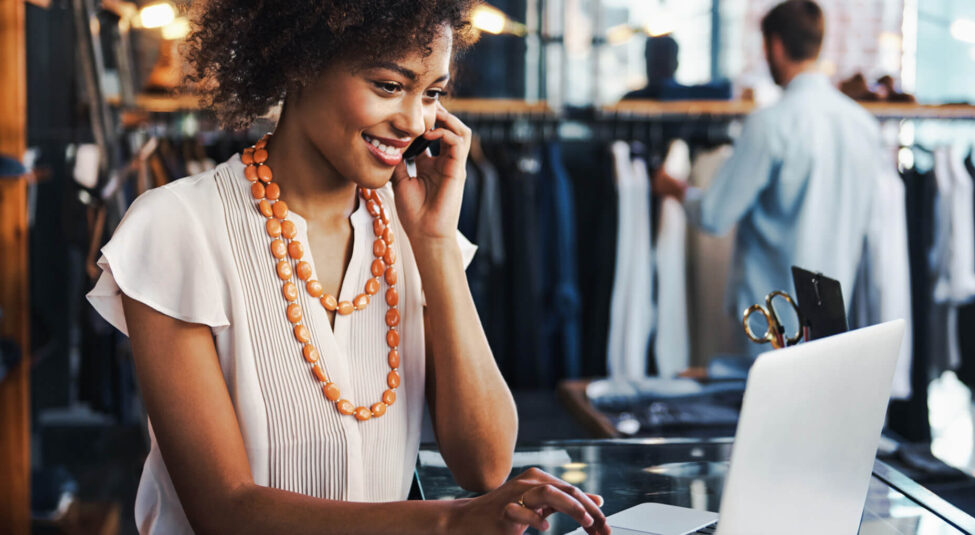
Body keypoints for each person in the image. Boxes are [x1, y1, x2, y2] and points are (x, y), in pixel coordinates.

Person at [85, 1, 609, 534]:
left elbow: (485, 463)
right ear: (299, 64)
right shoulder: (178, 227)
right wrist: (450, 523)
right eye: (388, 85)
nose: (414, 122)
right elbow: (224, 511)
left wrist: (435, 246)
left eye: (431, 94)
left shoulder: (412, 228)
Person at [655, 0, 881, 348]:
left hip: (772, 328)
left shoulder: (770, 124)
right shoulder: (864, 127)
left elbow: (714, 215)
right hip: (833, 324)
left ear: (775, 45)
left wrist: (673, 188)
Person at [622, 36, 731, 101]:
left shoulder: (630, 99)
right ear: (676, 63)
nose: (658, 66)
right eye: (656, 61)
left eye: (661, 61)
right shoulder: (693, 94)